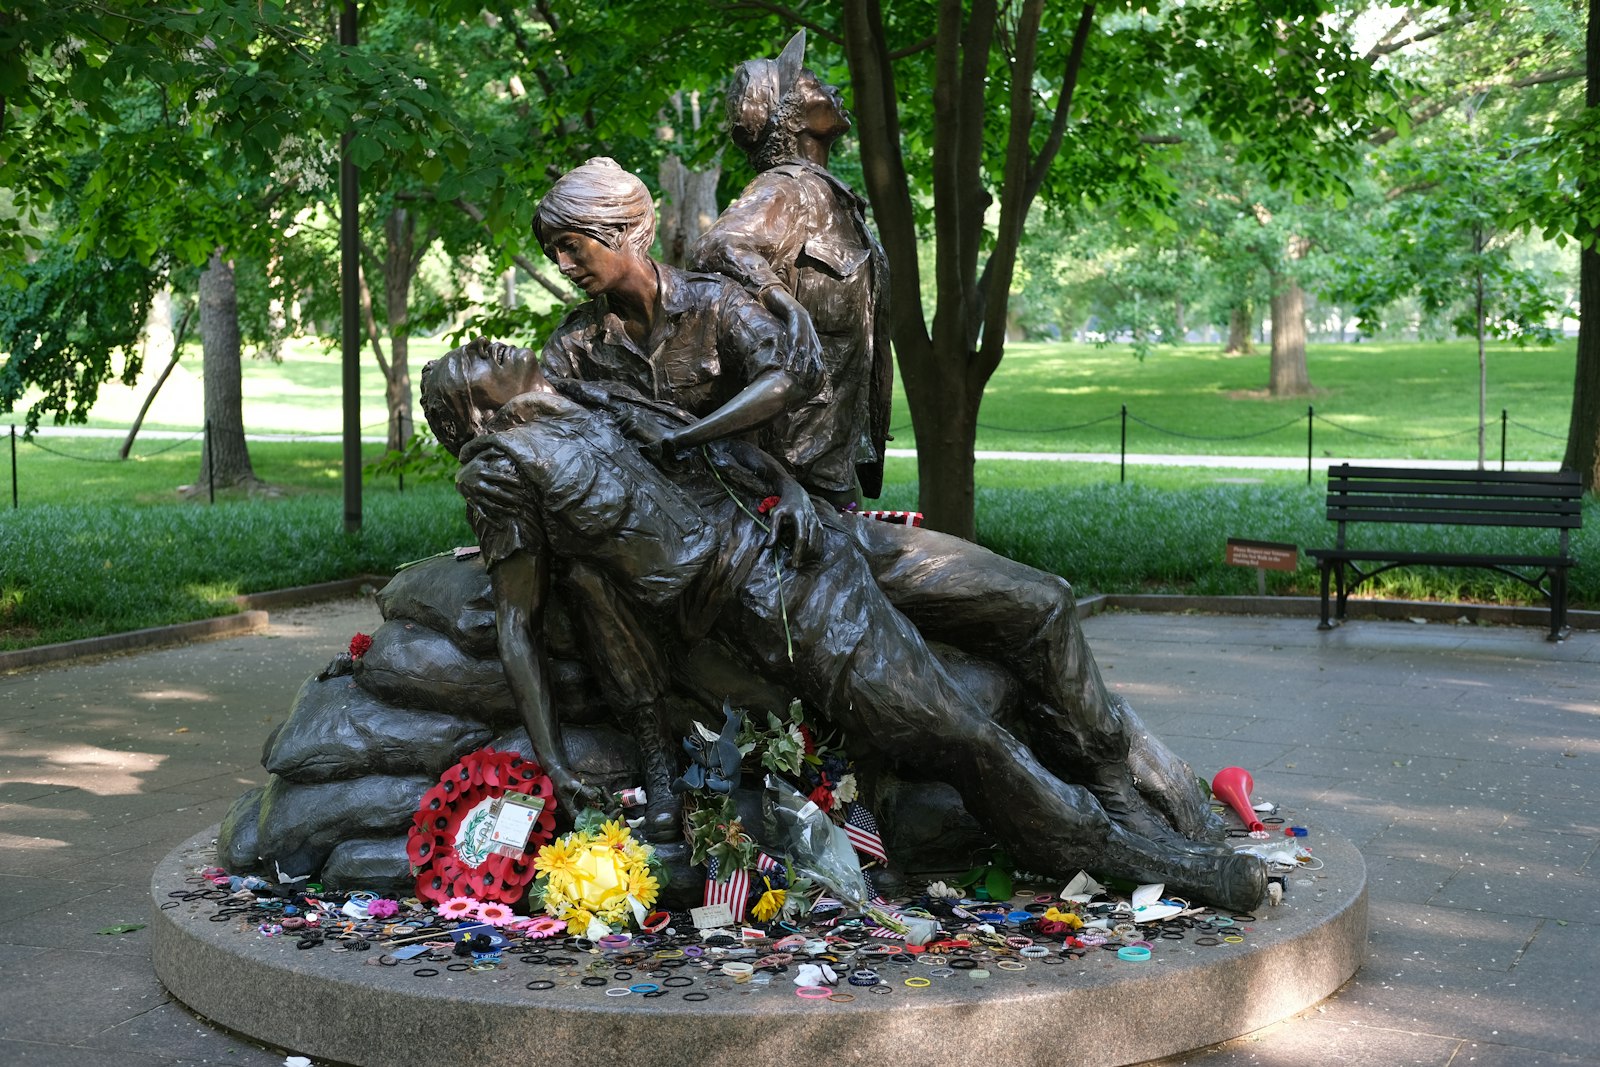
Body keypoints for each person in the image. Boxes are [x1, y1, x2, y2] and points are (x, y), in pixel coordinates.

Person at [419, 343, 1267, 912]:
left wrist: (786, 487)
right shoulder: (499, 468)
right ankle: (1156, 862)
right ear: (475, 416)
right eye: (469, 361)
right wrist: (560, 760)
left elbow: (721, 448)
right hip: (774, 600)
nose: (487, 344)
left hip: (812, 535)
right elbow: (521, 622)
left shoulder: (588, 393)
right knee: (967, 735)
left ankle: (1131, 797)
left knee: (1039, 601)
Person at [690, 30, 891, 506]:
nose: (833, 90)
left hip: (831, 446)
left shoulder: (829, 196)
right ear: (791, 115)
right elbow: (716, 246)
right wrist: (784, 303)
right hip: (792, 455)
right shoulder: (787, 189)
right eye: (816, 84)